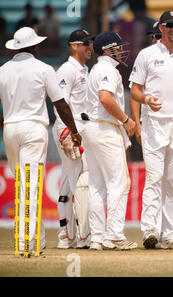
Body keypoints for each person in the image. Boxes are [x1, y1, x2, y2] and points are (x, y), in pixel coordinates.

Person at [0, 27, 80, 255]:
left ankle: (37, 239)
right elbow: (61, 104)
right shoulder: (43, 69)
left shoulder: (3, 70)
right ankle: (27, 244)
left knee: (20, 185)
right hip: (33, 129)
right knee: (30, 186)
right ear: (35, 46)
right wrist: (74, 131)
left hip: (11, 128)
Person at [129, 10, 173, 250]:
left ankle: (172, 235)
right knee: (154, 179)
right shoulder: (147, 54)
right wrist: (146, 100)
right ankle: (150, 231)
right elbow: (134, 90)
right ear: (161, 28)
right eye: (170, 25)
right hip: (154, 124)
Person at [81, 30, 137, 250]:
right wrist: (125, 120)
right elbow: (105, 98)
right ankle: (113, 236)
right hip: (105, 130)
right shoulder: (107, 70)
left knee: (97, 185)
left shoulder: (96, 68)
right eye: (118, 47)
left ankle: (96, 237)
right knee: (119, 183)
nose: (121, 50)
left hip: (92, 128)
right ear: (108, 49)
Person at [53, 29, 94, 249]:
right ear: (73, 46)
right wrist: (66, 133)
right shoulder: (67, 70)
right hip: (69, 131)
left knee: (70, 181)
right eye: (85, 43)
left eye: (91, 43)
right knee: (78, 181)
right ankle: (76, 236)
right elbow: (61, 104)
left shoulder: (84, 69)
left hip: (79, 131)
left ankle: (66, 236)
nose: (90, 46)